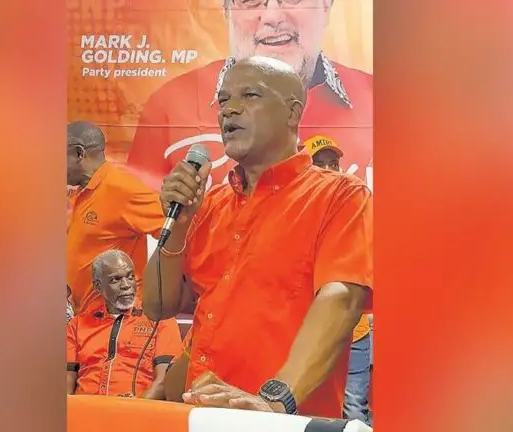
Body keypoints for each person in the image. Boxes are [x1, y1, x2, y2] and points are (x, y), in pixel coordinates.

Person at [141, 56, 373, 418]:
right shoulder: (211, 204)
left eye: (249, 95)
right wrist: (179, 225)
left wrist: (275, 400)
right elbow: (159, 307)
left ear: (293, 113)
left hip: (282, 419)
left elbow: (341, 300)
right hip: (201, 414)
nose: (229, 110)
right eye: (223, 100)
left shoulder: (340, 196)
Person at [128, 0, 372, 190]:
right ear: (227, 10)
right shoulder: (169, 104)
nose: (272, 17)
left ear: (326, 6)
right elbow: (143, 227)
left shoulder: (379, 100)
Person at [303, 135, 373, 425]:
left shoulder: (355, 202)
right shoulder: (297, 212)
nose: (329, 170)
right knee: (310, 413)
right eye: (320, 164)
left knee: (353, 409)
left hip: (353, 333)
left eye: (333, 163)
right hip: (309, 336)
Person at [67, 121, 165, 314]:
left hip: (116, 319)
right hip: (84, 319)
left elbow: (178, 233)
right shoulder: (80, 192)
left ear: (79, 153)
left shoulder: (123, 189)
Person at [67, 250, 183, 398]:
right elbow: (66, 382)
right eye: (115, 280)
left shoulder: (160, 319)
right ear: (97, 285)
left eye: (130, 277)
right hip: (84, 407)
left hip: (138, 407)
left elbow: (164, 381)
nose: (126, 285)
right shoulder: (77, 325)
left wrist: (135, 406)